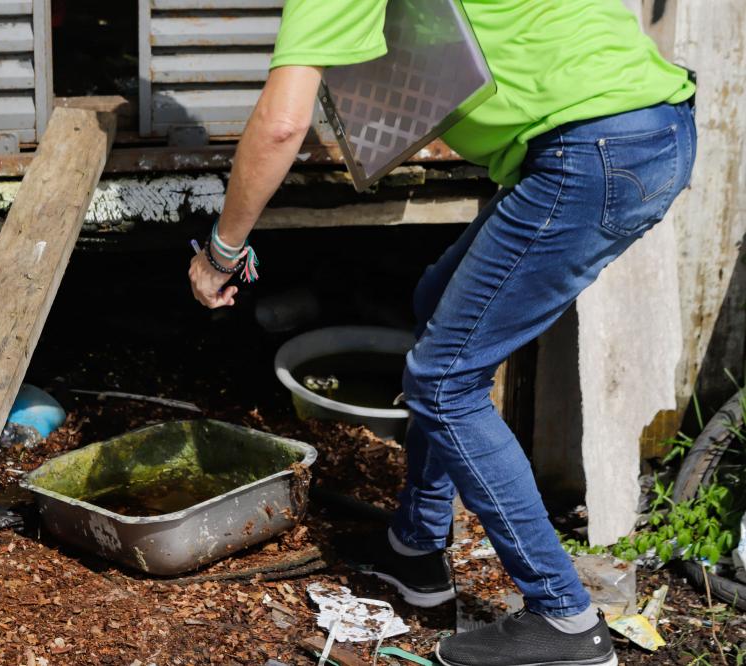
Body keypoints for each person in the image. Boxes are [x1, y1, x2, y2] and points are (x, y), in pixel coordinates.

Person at [188, 1, 696, 664]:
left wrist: (222, 251)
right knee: (437, 303)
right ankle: (418, 552)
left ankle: (566, 621)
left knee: (444, 380)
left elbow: (282, 125)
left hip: (588, 153)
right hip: (653, 129)